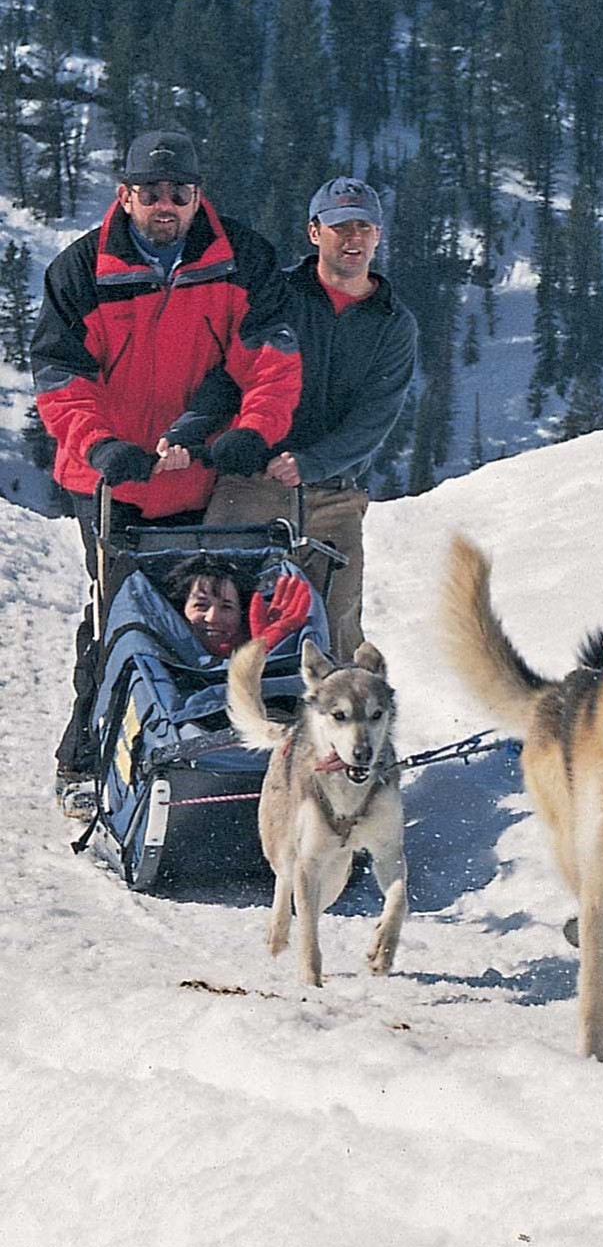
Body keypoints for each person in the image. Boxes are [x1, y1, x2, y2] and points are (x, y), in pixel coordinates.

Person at [32, 128, 301, 812]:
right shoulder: (81, 271)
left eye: (178, 192)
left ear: (197, 196)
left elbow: (270, 358)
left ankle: (201, 751)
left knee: (208, 617)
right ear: (124, 195)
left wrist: (253, 430)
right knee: (119, 616)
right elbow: (61, 378)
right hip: (112, 481)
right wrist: (100, 446)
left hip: (195, 475)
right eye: (150, 191)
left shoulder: (240, 259)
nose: (165, 204)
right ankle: (85, 755)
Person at [197, 177, 418, 661]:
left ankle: (346, 710)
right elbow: (231, 372)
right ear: (315, 232)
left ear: (378, 235)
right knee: (217, 613)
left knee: (337, 629)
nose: (353, 238)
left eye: (363, 227)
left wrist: (313, 462)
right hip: (251, 483)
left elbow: (375, 416)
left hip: (332, 497)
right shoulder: (276, 295)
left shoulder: (393, 323)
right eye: (340, 227)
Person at [162, 554, 311, 659]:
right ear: (182, 608)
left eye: (226, 607)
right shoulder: (162, 647)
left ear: (241, 613)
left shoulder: (256, 637)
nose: (212, 618)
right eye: (201, 605)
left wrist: (263, 650)